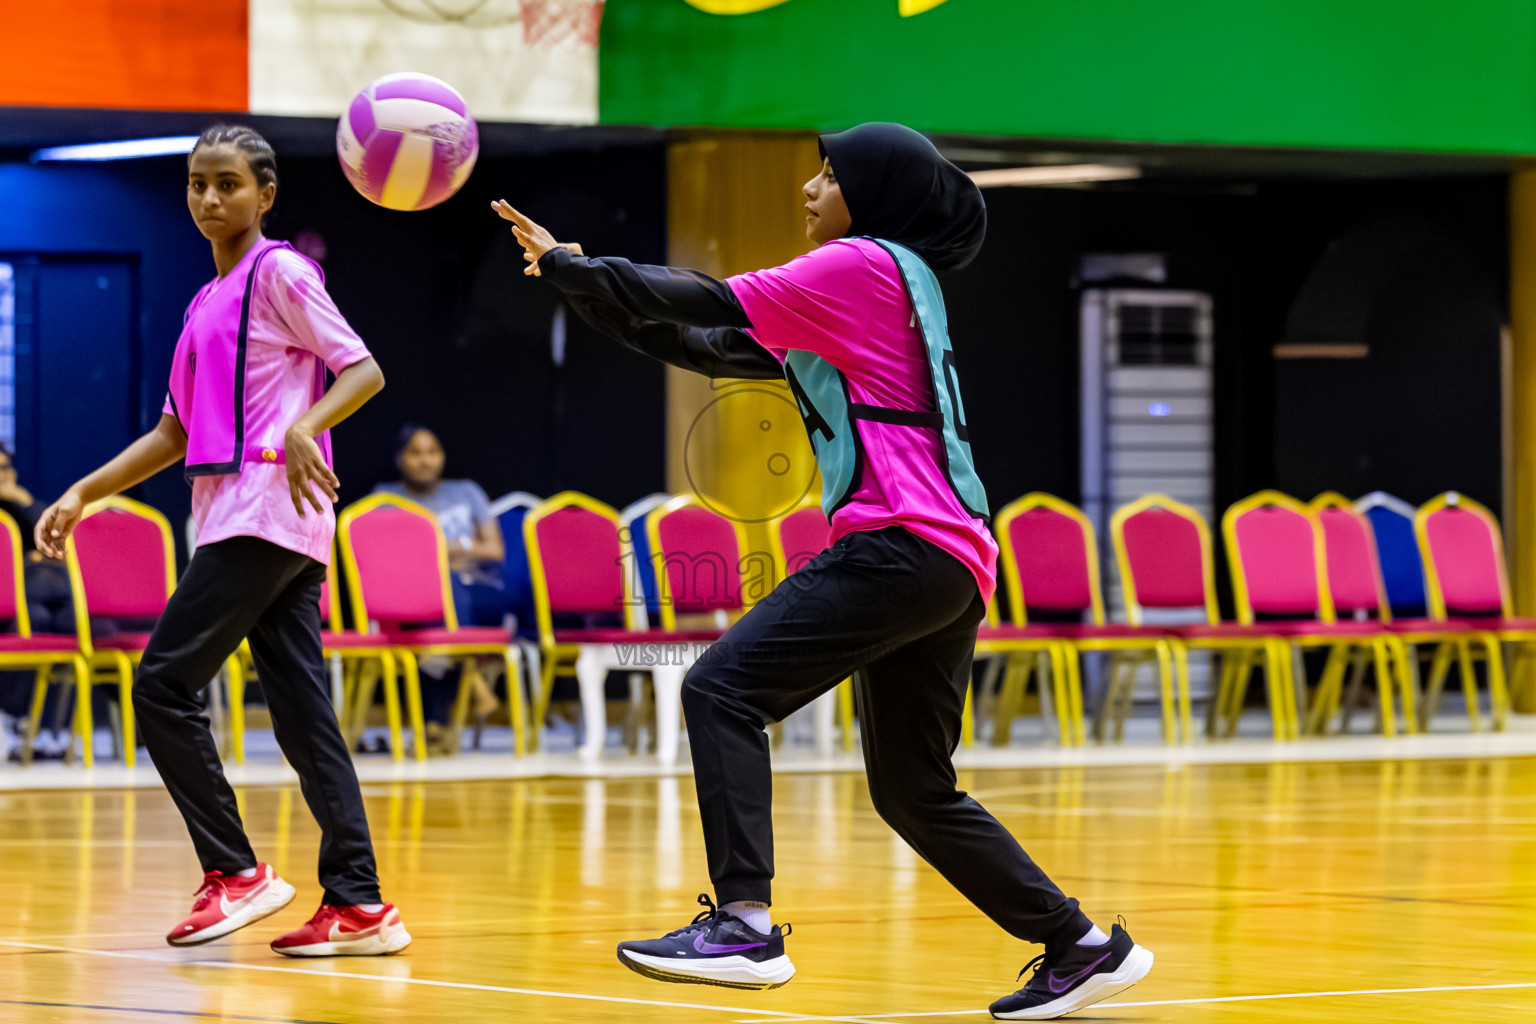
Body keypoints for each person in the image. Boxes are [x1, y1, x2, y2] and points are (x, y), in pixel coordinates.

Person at [494, 123, 1152, 1020]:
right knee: (915, 791)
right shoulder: (890, 287)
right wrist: (578, 280)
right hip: (953, 561)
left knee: (720, 690)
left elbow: (701, 295)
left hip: (900, 543)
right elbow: (700, 345)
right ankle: (1077, 943)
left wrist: (579, 267)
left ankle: (743, 924)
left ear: (872, 197)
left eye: (830, 175)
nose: (809, 188)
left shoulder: (860, 265)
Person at [33, 124, 410, 957]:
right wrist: (83, 493)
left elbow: (362, 368)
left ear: (266, 193)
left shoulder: (280, 271)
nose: (210, 198)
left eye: (229, 184)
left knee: (163, 684)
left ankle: (234, 872)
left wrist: (310, 423)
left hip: (267, 510)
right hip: (241, 518)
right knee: (306, 716)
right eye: (198, 183)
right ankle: (359, 903)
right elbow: (172, 433)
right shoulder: (206, 301)